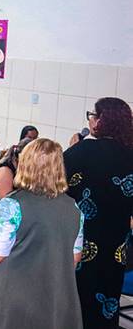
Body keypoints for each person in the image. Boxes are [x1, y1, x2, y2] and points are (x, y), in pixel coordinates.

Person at [0, 138, 83, 329]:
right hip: (53, 301)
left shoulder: (12, 205)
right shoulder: (74, 209)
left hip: (13, 303)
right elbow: (74, 259)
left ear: (24, 164)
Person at [64, 98, 133, 328]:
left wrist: (72, 148)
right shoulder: (130, 155)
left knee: (77, 296)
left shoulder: (82, 151)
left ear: (102, 120)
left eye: (93, 115)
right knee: (107, 296)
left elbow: (57, 186)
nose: (90, 120)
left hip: (80, 238)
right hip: (116, 243)